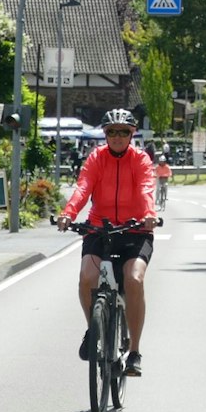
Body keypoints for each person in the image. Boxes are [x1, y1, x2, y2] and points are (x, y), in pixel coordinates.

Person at [56, 107, 157, 376]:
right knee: (87, 277)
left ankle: (134, 351)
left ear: (132, 134)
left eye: (124, 132)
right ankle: (95, 330)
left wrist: (149, 215)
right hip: (99, 228)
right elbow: (83, 187)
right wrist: (68, 214)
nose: (117, 137)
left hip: (135, 230)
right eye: (112, 132)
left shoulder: (140, 160)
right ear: (105, 134)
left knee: (133, 279)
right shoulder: (96, 158)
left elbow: (147, 188)